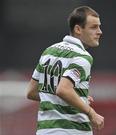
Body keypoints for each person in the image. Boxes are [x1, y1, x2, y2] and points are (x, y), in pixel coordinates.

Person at [26, 6, 104, 135]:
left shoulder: (49, 51)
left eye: (99, 26)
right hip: (71, 130)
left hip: (45, 131)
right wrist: (91, 113)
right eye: (94, 27)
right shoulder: (82, 57)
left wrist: (77, 98)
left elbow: (31, 92)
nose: (99, 31)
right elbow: (63, 90)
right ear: (78, 29)